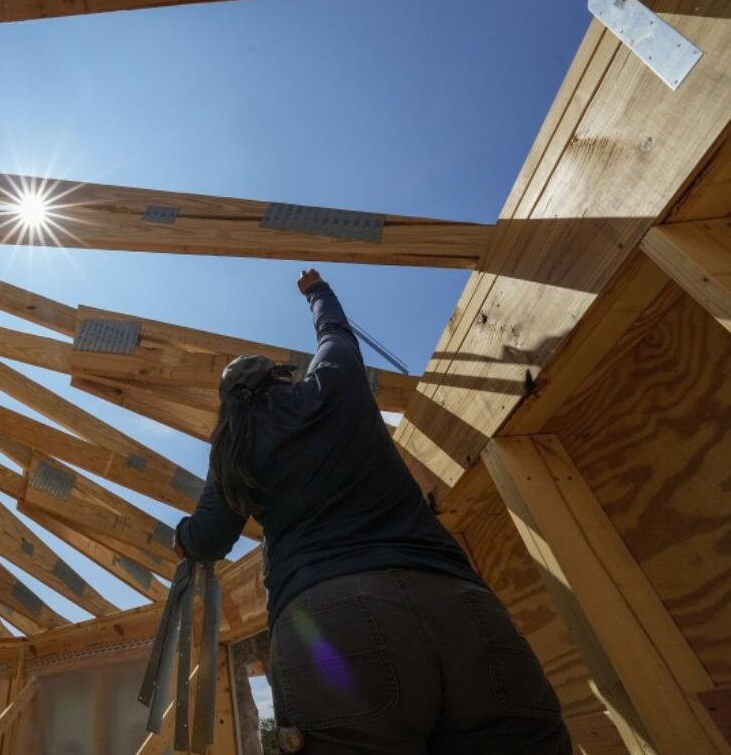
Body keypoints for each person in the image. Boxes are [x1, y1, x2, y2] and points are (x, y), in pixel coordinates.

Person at [174, 269, 570, 754]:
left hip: (333, 621)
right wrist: (316, 290)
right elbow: (335, 332)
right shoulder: (335, 387)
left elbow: (211, 537)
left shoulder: (234, 446)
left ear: (228, 402)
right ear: (281, 374)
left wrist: (182, 539)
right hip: (458, 603)